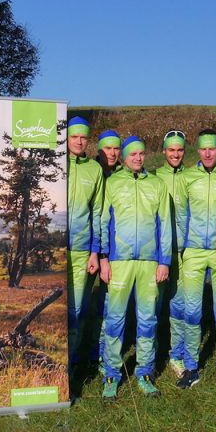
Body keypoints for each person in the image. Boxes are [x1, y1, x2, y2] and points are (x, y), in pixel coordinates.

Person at [98, 136, 172, 401]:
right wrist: (104, 257)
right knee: (115, 320)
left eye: (141, 154)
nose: (138, 158)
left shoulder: (158, 185)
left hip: (149, 262)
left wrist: (164, 261)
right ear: (124, 157)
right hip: (119, 261)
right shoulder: (112, 183)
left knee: (148, 320)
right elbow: (103, 221)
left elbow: (165, 225)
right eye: (133, 154)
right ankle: (111, 374)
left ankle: (145, 373)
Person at [175, 129, 216, 389]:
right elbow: (181, 217)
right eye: (203, 148)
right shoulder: (188, 177)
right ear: (198, 151)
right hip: (192, 252)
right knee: (192, 312)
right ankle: (191, 368)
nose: (208, 153)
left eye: (212, 148)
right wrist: (180, 253)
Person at [65, 117, 103, 376]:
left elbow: (98, 212)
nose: (79, 141)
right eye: (74, 136)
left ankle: (70, 364)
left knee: (76, 310)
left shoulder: (95, 170)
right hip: (53, 251)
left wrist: (94, 252)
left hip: (81, 250)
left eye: (83, 137)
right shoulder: (55, 165)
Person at [156, 129, 188, 377]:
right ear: (164, 151)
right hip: (158, 254)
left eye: (179, 150)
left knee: (179, 306)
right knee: (153, 307)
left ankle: (176, 355)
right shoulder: (155, 177)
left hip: (184, 253)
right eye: (171, 150)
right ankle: (151, 353)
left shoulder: (191, 176)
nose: (175, 154)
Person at [94, 128, 122, 371]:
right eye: (108, 148)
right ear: (99, 149)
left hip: (112, 248)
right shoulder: (93, 170)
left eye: (116, 148)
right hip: (88, 244)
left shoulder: (123, 173)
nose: (112, 153)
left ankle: (102, 354)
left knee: (108, 301)